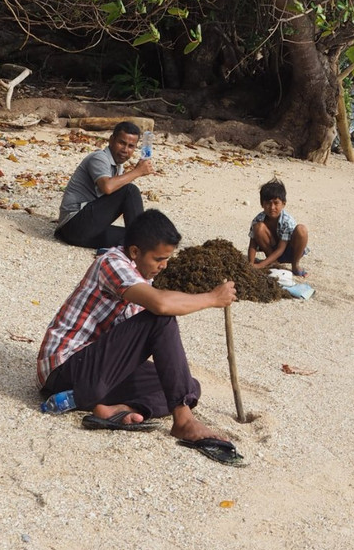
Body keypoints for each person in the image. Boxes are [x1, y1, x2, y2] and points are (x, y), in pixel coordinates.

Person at [38, 209, 244, 465]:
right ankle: (183, 421)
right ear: (135, 252)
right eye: (159, 258)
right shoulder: (112, 263)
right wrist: (212, 298)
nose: (164, 265)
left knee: (188, 387)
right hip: (65, 370)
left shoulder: (140, 281)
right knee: (160, 317)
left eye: (167, 258)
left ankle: (118, 409)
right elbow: (161, 306)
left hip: (97, 377)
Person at [54, 121, 153, 250]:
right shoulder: (99, 158)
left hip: (83, 230)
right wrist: (137, 171)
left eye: (130, 146)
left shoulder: (118, 166)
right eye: (122, 143)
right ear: (111, 140)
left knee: (135, 239)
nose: (125, 150)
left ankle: (139, 247)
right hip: (73, 226)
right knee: (130, 190)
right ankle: (141, 249)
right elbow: (107, 187)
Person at [247, 178, 310, 277]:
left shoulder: (287, 221)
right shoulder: (258, 220)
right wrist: (250, 263)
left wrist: (260, 265)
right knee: (258, 227)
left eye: (276, 203)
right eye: (268, 203)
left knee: (301, 229)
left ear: (283, 204)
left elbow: (281, 249)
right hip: (272, 251)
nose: (272, 207)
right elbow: (252, 244)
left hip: (290, 251)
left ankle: (295, 265)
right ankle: (273, 262)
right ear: (262, 204)